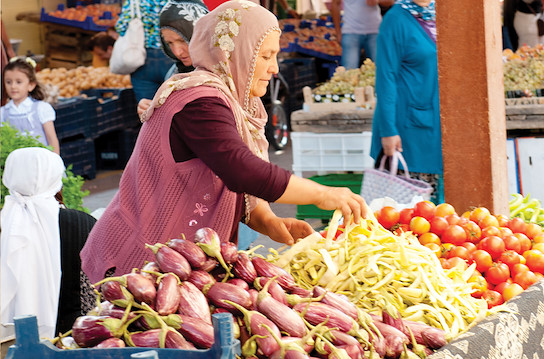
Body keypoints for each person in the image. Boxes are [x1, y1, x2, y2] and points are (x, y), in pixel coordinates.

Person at [80, 0, 368, 284]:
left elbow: (235, 183)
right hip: (131, 267)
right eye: (266, 56)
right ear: (236, 53)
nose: (274, 68)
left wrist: (268, 221)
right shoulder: (199, 101)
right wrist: (322, 195)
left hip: (176, 268)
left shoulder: (235, 103)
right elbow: (241, 169)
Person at [1, 147, 96, 338]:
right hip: (75, 342)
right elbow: (94, 298)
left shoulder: (5, 228)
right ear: (56, 179)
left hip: (11, 344)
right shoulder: (83, 224)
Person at [370, 0, 442, 204]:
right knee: (414, 211)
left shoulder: (439, 15)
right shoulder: (395, 20)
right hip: (408, 128)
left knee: (439, 217)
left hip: (436, 123)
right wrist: (388, 130)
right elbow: (386, 78)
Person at [136, 0, 209, 117]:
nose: (177, 52)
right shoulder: (173, 73)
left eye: (182, 40)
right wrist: (150, 108)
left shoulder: (226, 72)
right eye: (169, 43)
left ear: (201, 34)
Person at [114, 0, 175, 102]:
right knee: (175, 105)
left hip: (143, 60)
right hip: (172, 55)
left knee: (147, 109)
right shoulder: (173, 2)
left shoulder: (134, 2)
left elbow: (121, 27)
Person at [1, 58, 60, 154]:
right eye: (8, 82)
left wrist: (55, 163)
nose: (13, 86)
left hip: (40, 163)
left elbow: (52, 139)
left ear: (31, 85)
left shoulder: (41, 108)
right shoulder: (3, 113)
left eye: (19, 82)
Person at [330, 0, 390, 69]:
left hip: (375, 32)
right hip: (351, 32)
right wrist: (338, 32)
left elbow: (390, 2)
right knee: (349, 72)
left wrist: (378, 1)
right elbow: (335, 4)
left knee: (381, 69)